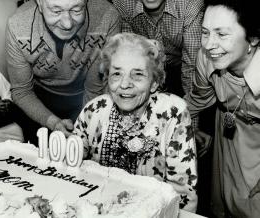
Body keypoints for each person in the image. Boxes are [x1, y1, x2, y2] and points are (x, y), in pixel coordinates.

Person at [74, 33, 197, 212]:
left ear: (154, 83)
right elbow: (70, 169)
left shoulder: (173, 113)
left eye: (137, 75)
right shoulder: (95, 110)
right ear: (107, 77)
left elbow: (183, 195)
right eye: (117, 73)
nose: (124, 84)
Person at [186, 0, 260, 216]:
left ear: (253, 38)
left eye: (221, 34)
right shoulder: (208, 57)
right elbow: (197, 101)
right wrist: (184, 130)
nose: (209, 44)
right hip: (229, 136)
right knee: (225, 200)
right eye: (205, 32)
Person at [6, 0, 120, 139]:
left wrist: (81, 130)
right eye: (56, 11)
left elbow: (94, 88)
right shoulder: (17, 25)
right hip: (38, 101)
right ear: (40, 3)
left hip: (86, 99)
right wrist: (53, 122)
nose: (68, 24)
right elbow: (22, 91)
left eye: (77, 10)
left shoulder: (108, 16)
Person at [112, 0, 204, 97]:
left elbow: (191, 65)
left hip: (180, 65)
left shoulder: (190, 4)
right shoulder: (122, 3)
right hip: (145, 66)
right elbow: (129, 59)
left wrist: (188, 107)